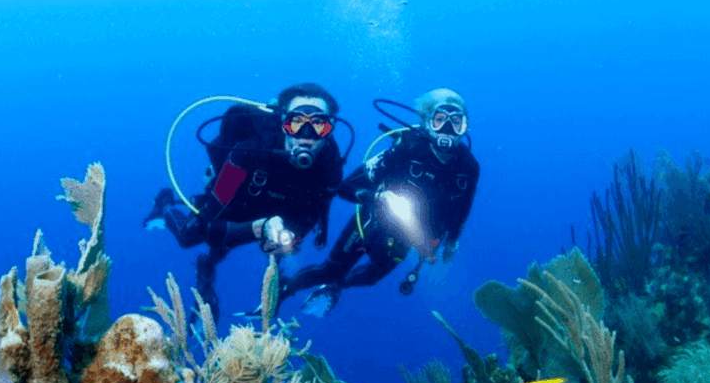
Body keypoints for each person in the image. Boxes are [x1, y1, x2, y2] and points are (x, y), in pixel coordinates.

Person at [145, 83, 346, 321]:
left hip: (278, 221)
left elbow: (315, 214)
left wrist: (293, 238)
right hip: (236, 209)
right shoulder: (246, 152)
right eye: (296, 122)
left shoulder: (330, 168)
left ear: (329, 131)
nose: (306, 135)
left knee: (279, 249)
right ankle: (165, 204)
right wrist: (259, 227)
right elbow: (210, 225)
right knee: (190, 236)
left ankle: (258, 290)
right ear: (283, 123)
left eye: (318, 125)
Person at [274, 87, 480, 316]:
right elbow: (346, 188)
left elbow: (463, 208)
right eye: (440, 120)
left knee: (371, 277)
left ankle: (335, 288)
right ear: (426, 122)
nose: (448, 130)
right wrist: (378, 198)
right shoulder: (405, 150)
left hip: (408, 236)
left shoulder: (469, 168)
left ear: (466, 125)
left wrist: (451, 240)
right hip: (369, 223)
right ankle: (282, 292)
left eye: (456, 121)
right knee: (330, 270)